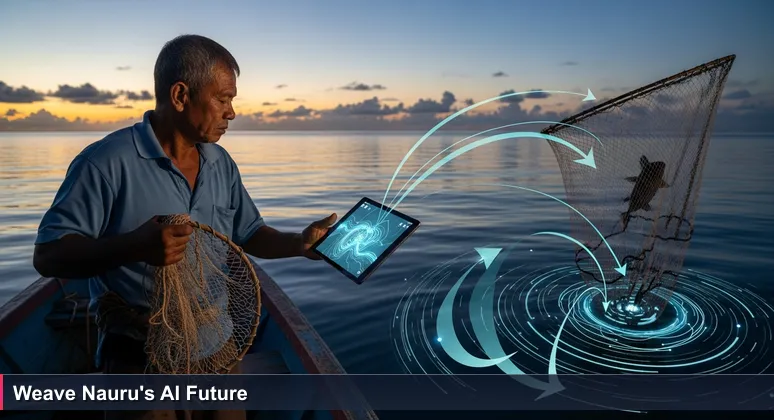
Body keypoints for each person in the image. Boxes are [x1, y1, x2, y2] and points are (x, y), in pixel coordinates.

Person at [32, 34, 337, 420]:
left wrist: (299, 243)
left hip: (218, 346)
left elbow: (249, 233)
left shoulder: (220, 163)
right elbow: (48, 256)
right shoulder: (105, 162)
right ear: (180, 96)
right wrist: (135, 247)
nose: (232, 112)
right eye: (223, 99)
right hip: (139, 356)